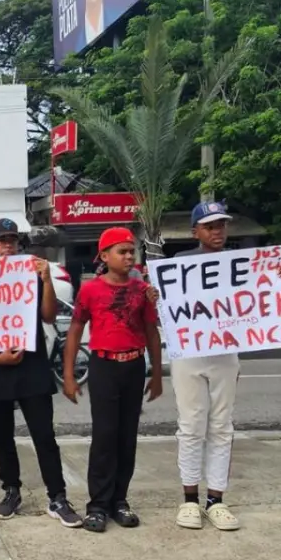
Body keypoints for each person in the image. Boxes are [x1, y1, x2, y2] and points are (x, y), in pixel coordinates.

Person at [171, 202, 281, 532]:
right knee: (191, 424)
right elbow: (167, 305)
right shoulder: (181, 264)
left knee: (222, 424)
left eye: (222, 226)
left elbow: (268, 302)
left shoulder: (247, 265)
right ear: (195, 230)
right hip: (189, 354)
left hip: (225, 354)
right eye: (210, 226)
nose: (217, 232)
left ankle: (216, 500)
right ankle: (189, 500)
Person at [0, 218, 83, 527]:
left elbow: (48, 316)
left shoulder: (32, 274)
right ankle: (11, 490)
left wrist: (47, 279)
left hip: (32, 365)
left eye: (13, 239)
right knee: (0, 437)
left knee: (44, 436)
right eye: (2, 240)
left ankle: (58, 496)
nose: (8, 245)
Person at [63, 227, 163, 533]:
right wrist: (68, 374)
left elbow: (151, 332)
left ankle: (120, 500)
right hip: (104, 366)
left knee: (126, 437)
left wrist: (156, 373)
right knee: (105, 437)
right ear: (104, 256)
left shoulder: (142, 289)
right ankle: (97, 505)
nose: (129, 256)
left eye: (132, 251)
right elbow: (76, 330)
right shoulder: (91, 290)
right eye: (122, 251)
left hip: (133, 366)